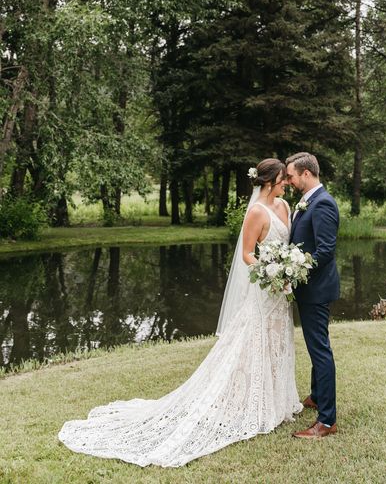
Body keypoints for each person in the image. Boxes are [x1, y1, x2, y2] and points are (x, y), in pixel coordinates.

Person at [58, 158, 302, 467]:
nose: (286, 184)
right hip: (265, 288)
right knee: (253, 342)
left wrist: (287, 270)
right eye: (283, 179)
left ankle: (277, 401)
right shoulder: (256, 212)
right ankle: (248, 402)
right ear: (269, 182)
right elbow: (247, 254)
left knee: (278, 341)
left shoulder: (284, 207)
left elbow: (287, 244)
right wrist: (271, 273)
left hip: (280, 294)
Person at [285, 151, 340, 439]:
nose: (290, 181)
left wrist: (294, 271)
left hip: (316, 290)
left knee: (320, 350)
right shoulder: (309, 202)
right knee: (315, 345)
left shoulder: (323, 204)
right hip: (309, 289)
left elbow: (325, 252)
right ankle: (317, 396)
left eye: (292, 176)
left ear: (306, 174)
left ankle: (326, 420)